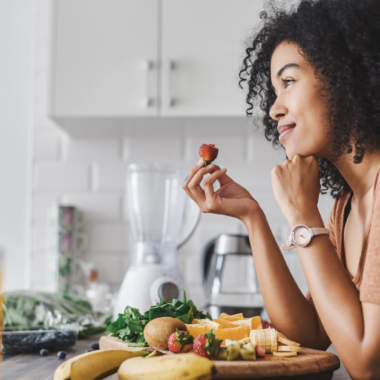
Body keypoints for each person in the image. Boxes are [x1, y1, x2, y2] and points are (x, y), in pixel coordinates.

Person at [182, 0, 380, 378]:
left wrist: (304, 217)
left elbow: (367, 364)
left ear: (346, 77)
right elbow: (309, 334)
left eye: (288, 82)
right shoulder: (347, 206)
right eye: (274, 90)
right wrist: (252, 218)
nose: (274, 109)